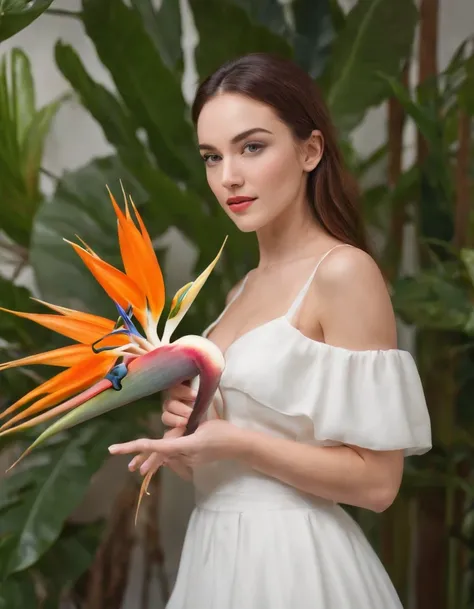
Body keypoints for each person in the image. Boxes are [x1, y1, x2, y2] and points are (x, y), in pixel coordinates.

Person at [108, 53, 432, 608]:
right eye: (213, 156)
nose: (228, 176)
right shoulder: (243, 290)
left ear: (310, 150)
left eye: (252, 147)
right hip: (215, 555)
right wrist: (193, 445)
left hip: (295, 567)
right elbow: (237, 467)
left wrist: (236, 441)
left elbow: (378, 485)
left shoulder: (342, 273)